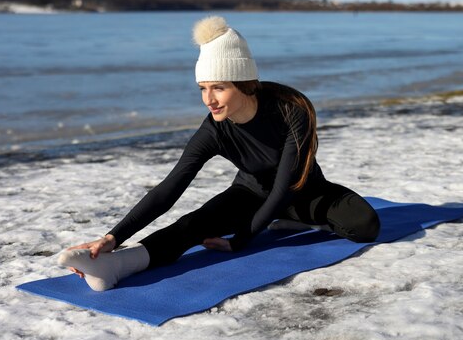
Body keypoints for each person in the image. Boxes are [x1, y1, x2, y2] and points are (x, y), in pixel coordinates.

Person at [58, 16, 380, 291]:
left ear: (243, 83)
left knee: (365, 225)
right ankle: (116, 266)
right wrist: (113, 237)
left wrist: (243, 238)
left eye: (219, 88)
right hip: (250, 194)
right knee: (194, 223)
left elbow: (284, 186)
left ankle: (297, 219)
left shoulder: (291, 109)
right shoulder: (214, 129)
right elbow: (169, 189)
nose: (209, 99)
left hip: (304, 191)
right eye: (203, 88)